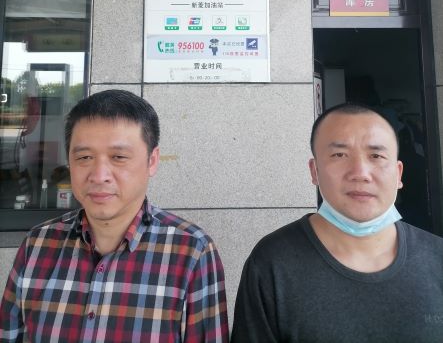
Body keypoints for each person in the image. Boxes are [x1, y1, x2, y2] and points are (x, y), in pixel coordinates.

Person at [0, 89, 229, 342]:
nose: (99, 176)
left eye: (118, 157)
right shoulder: (36, 246)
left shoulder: (192, 252)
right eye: (84, 157)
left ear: (152, 161)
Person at [231, 103, 443, 343]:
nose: (360, 173)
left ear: (398, 174)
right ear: (314, 171)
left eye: (376, 156)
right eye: (339, 155)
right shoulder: (271, 263)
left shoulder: (438, 257)